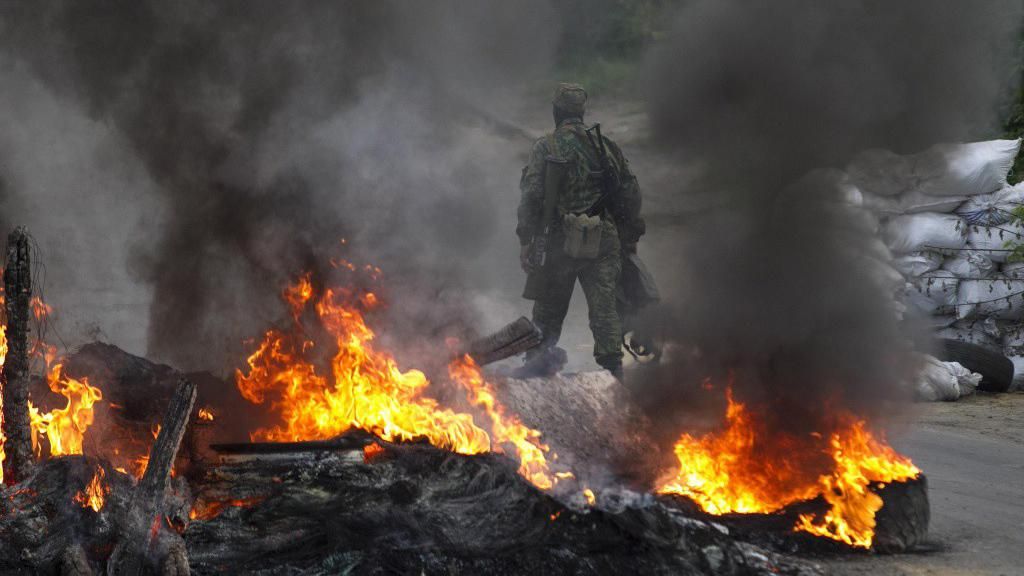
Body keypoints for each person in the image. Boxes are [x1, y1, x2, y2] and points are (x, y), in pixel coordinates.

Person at [516, 83, 645, 380]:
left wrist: (526, 239)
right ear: (581, 112)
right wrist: (629, 235)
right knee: (604, 308)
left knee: (549, 306)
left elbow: (532, 196)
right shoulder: (606, 146)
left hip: (560, 238)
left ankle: (537, 361)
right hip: (602, 236)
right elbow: (631, 192)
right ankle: (614, 369)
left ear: (556, 112)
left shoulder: (546, 146)